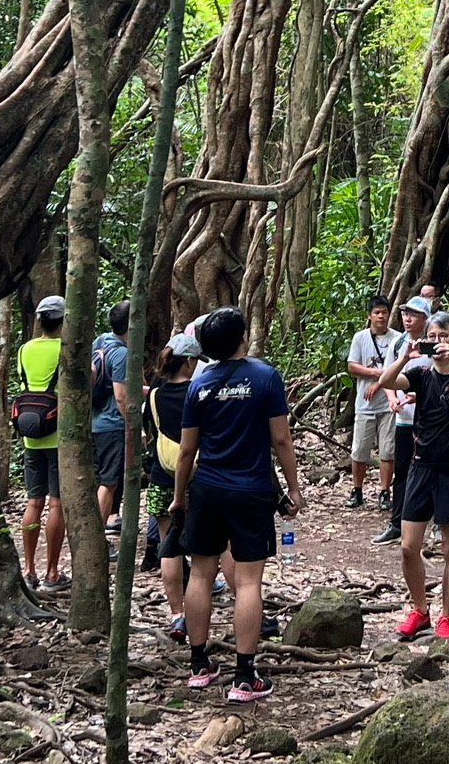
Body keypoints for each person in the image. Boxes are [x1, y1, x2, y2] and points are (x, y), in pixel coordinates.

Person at [172, 305, 301, 701]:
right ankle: (244, 677)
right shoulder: (264, 377)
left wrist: (180, 497)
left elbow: (187, 449)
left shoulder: (199, 383)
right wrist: (294, 488)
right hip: (251, 490)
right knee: (248, 581)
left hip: (208, 488)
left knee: (200, 574)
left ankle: (199, 665)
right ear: (242, 337)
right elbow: (280, 439)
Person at [370, 310, 449, 640]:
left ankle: (446, 616)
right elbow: (388, 382)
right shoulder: (420, 374)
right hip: (421, 467)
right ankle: (420, 610)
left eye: (443, 336)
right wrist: (406, 354)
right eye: (432, 337)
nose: (437, 343)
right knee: (408, 546)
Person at [144, 331, 201, 636]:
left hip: (161, 477)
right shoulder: (198, 393)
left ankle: (177, 614)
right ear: (189, 361)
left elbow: (150, 432)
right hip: (198, 480)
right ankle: (196, 610)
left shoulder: (154, 395)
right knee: (204, 549)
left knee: (170, 545)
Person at [13, 296, 68, 594]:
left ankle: (29, 569)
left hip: (30, 436)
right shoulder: (66, 348)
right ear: (63, 320)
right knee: (56, 502)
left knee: (34, 502)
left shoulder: (24, 349)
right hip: (59, 436)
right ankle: (52, 572)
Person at [371, 294, 431, 546]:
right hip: (403, 421)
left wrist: (419, 397)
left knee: (432, 472)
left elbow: (438, 380)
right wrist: (392, 398)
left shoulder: (432, 343)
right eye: (406, 313)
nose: (408, 318)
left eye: (414, 314)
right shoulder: (399, 343)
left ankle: (436, 527)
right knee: (402, 472)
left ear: (425, 318)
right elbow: (387, 376)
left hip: (427, 422)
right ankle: (397, 524)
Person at [346, 296, 397, 510]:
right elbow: (352, 366)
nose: (381, 316)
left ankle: (384, 492)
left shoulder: (397, 338)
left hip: (389, 404)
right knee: (360, 450)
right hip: (364, 404)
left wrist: (378, 383)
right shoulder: (360, 338)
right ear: (369, 316)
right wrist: (376, 373)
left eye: (384, 312)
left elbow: (399, 368)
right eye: (376, 312)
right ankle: (357, 490)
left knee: (388, 450)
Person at [91, 299, 131, 532]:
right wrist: (132, 426)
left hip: (95, 422)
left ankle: (101, 529)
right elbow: (121, 397)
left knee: (102, 480)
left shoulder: (100, 342)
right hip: (112, 425)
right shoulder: (122, 354)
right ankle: (98, 538)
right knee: (109, 483)